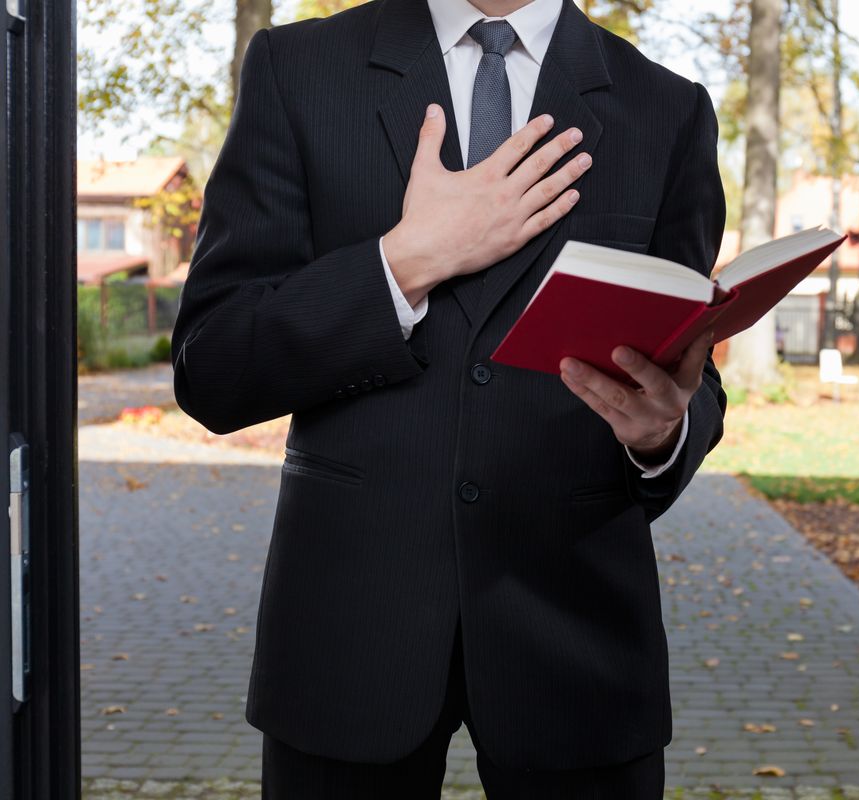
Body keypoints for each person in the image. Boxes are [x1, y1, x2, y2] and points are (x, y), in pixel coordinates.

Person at [170, 0, 727, 795]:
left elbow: (692, 375)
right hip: (349, 636)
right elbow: (212, 367)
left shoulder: (665, 108)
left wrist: (664, 431)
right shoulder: (297, 71)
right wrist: (402, 263)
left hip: (581, 645)